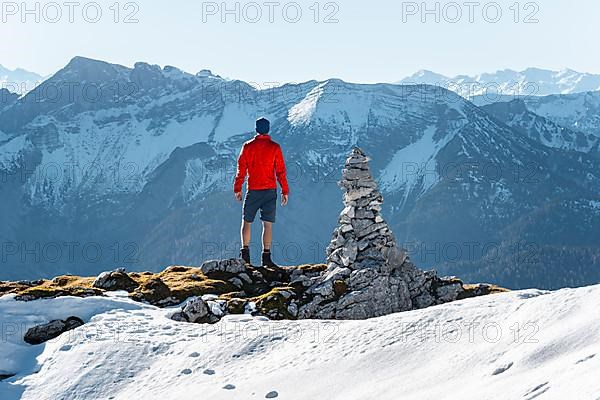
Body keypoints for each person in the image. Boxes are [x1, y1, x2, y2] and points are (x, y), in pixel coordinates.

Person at [234, 117, 289, 267]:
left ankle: (245, 256)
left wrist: (237, 188)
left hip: (253, 190)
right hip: (270, 190)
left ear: (256, 129)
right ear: (268, 129)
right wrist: (285, 190)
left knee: (246, 221)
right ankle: (266, 257)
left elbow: (241, 169)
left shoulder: (247, 146)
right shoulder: (275, 147)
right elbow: (281, 171)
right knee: (268, 224)